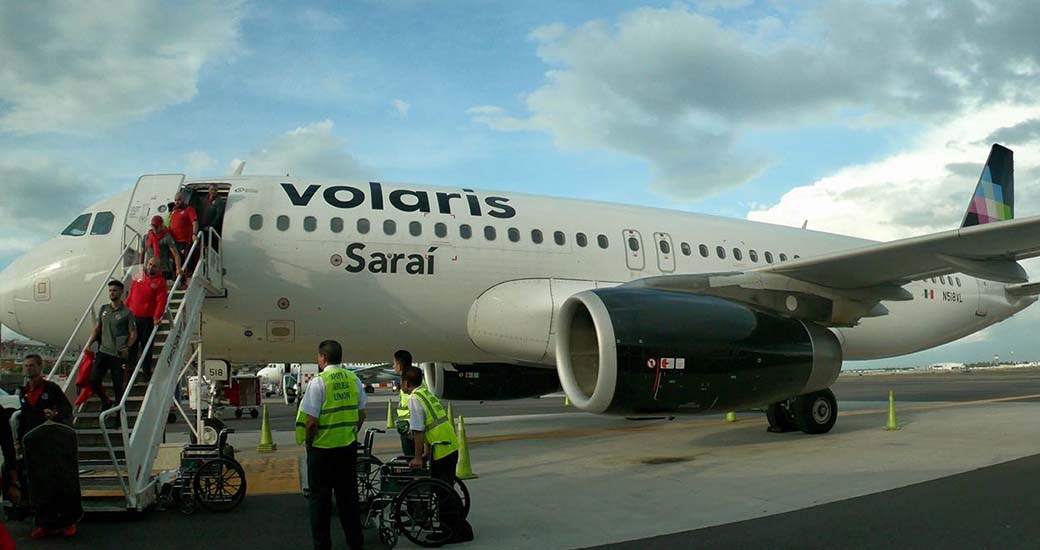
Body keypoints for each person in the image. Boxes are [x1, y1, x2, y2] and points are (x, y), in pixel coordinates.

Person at [296, 340, 366, 550]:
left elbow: (310, 422)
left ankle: (323, 546)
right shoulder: (354, 379)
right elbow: (361, 414)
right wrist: (351, 432)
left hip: (322, 452)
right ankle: (356, 544)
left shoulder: (319, 382)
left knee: (320, 503)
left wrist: (310, 444)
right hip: (347, 449)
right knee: (349, 501)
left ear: (323, 358)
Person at [402, 367, 473, 543]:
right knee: (444, 490)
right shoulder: (426, 393)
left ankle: (456, 531)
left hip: (442, 448)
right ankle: (452, 528)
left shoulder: (414, 399)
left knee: (443, 493)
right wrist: (426, 451)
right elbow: (430, 424)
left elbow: (418, 430)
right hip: (448, 444)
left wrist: (418, 457)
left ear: (406, 383)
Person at [85, 280, 136, 413]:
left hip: (117, 355)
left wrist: (127, 347)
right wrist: (89, 343)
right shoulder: (104, 309)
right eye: (110, 290)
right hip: (103, 352)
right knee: (93, 380)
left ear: (120, 292)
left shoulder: (127, 313)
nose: (111, 293)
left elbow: (133, 333)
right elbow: (97, 328)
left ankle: (118, 416)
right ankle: (106, 401)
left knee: (118, 386)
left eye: (114, 290)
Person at [125, 257, 168, 377]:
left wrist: (156, 317)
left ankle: (146, 373)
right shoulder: (138, 276)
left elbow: (161, 301)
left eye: (154, 266)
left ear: (158, 268)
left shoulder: (160, 282)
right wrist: (124, 310)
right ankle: (130, 373)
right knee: (132, 346)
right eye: (150, 264)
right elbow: (131, 296)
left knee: (146, 347)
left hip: (147, 319)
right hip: (133, 317)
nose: (151, 267)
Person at [393, 349, 418, 458]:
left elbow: (415, 404)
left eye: (394, 363)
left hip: (410, 429)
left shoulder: (407, 381)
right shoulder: (412, 377)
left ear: (399, 364)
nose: (393, 366)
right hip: (407, 426)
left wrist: (414, 427)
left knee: (411, 459)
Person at [140, 215, 182, 282]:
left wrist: (178, 268)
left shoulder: (167, 237)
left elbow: (175, 253)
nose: (155, 228)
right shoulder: (146, 237)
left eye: (157, 226)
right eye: (153, 226)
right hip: (149, 268)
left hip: (162, 269)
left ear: (161, 226)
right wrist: (140, 267)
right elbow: (142, 253)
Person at [168, 190, 199, 277]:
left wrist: (194, 234)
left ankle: (183, 280)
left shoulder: (189, 209)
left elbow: (195, 222)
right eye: (175, 200)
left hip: (183, 240)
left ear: (183, 200)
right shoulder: (174, 210)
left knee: (182, 260)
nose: (177, 202)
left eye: (179, 200)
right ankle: (175, 278)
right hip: (173, 240)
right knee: (174, 260)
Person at [198, 184, 225, 250]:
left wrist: (211, 226)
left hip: (212, 229)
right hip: (202, 227)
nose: (213, 191)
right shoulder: (204, 199)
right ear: (208, 190)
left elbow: (219, 215)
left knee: (210, 247)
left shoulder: (219, 201)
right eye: (211, 189)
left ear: (217, 191)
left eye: (215, 190)